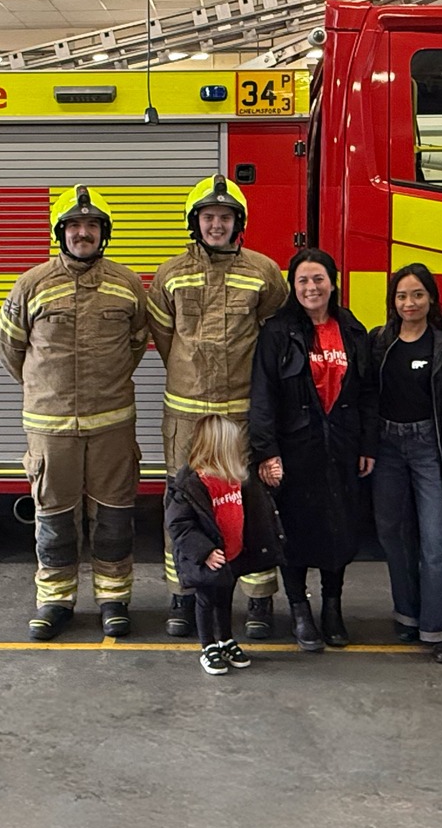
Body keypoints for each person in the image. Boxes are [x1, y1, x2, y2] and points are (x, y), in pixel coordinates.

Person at [0, 185, 148, 641]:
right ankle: (55, 601)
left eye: (92, 225)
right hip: (51, 428)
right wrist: (47, 390)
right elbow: (9, 348)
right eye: (76, 226)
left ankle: (114, 599)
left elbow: (137, 343)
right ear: (60, 232)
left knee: (115, 516)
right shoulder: (32, 284)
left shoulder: (127, 284)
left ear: (104, 232)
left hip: (112, 424)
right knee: (55, 517)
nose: (84, 233)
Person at [148, 176, 287, 641]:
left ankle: (259, 598)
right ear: (195, 223)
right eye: (208, 218)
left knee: (250, 504)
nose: (216, 225)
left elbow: (271, 340)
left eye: (224, 218)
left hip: (240, 414)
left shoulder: (264, 272)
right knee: (183, 504)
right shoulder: (169, 275)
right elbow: (167, 341)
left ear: (237, 223)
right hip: (186, 417)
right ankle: (184, 593)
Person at [249, 247, 378, 652]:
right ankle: (300, 611)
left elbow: (368, 395)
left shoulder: (353, 329)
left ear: (333, 283)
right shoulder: (276, 332)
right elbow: (263, 396)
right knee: (294, 531)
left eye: (318, 279)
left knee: (339, 528)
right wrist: (266, 452)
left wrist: (367, 444)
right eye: (302, 280)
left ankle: (333, 608)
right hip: (294, 449)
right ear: (293, 286)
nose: (311, 287)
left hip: (340, 448)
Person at [369, 263, 442, 665]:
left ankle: (440, 629)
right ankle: (407, 615)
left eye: (417, 294)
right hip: (388, 446)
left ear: (431, 299)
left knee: (434, 541)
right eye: (401, 296)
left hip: (430, 447)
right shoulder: (381, 343)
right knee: (393, 535)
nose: (409, 303)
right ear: (392, 302)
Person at [163, 415, 286, 675]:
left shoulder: (236, 477)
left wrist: (271, 483)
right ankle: (208, 645)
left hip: (231, 556)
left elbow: (257, 505)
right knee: (206, 601)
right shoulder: (192, 484)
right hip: (209, 559)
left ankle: (225, 640)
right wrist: (205, 552)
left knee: (225, 601)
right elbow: (179, 525)